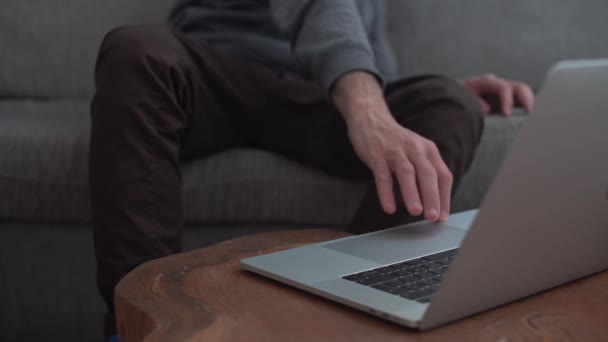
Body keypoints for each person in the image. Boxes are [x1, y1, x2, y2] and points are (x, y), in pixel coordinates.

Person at [90, 0, 534, 340]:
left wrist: (414, 94)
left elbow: (352, 27)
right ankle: (143, 328)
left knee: (448, 106)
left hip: (324, 92)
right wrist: (365, 106)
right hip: (217, 71)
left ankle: (348, 325)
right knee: (136, 53)